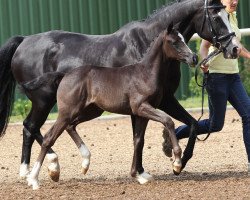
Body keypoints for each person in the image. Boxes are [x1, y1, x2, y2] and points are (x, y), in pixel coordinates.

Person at [166, 0, 250, 173]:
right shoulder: (216, 18)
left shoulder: (232, 17)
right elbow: (204, 46)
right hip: (217, 77)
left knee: (248, 115)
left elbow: (236, 44)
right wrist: (204, 62)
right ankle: (175, 133)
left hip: (233, 77)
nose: (234, 2)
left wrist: (246, 54)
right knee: (214, 125)